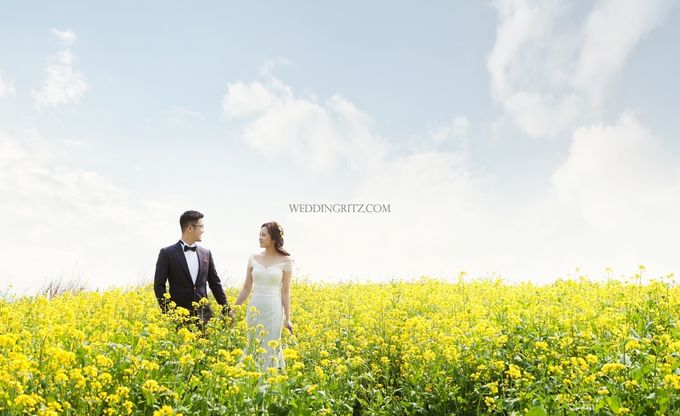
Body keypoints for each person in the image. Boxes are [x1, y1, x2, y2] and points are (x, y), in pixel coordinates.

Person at [154, 210, 235, 329]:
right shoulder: (167, 253)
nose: (203, 230)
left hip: (205, 319)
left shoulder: (206, 253)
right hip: (179, 319)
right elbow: (159, 285)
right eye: (201, 226)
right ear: (190, 228)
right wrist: (170, 313)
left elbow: (215, 284)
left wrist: (226, 309)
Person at [234, 221, 294, 370]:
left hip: (274, 309)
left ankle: (271, 378)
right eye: (259, 235)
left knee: (271, 343)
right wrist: (234, 308)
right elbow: (247, 288)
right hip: (255, 307)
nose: (260, 238)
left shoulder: (286, 261)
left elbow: (285, 292)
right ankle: (250, 378)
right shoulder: (253, 258)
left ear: (273, 238)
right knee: (253, 342)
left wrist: (288, 319)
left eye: (263, 235)